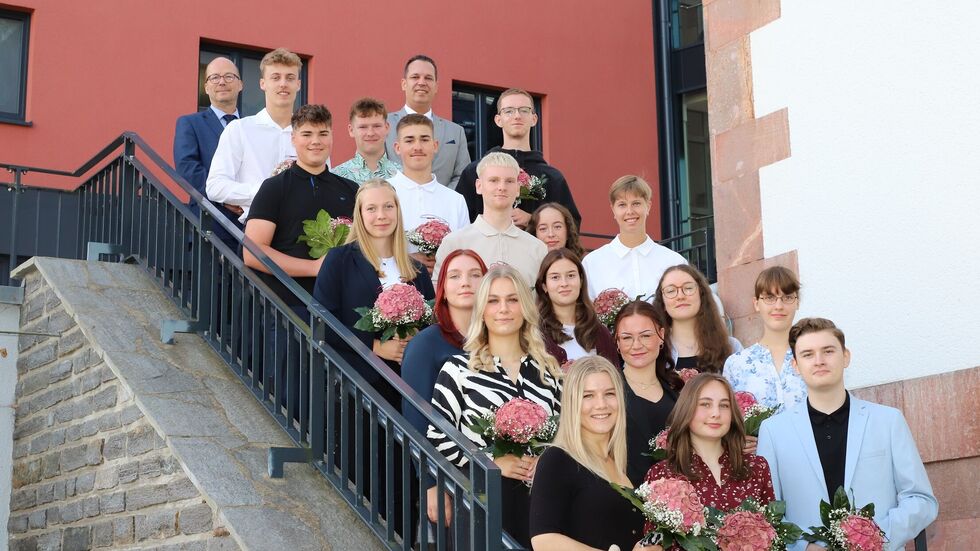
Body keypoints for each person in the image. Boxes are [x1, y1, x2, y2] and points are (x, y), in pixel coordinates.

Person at [757, 318, 938, 551]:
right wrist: (803, 547)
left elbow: (921, 501)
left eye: (828, 351)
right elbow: (767, 511)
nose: (819, 360)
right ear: (796, 366)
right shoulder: (773, 431)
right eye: (808, 354)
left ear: (846, 357)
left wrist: (875, 538)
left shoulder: (888, 421)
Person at [427, 264, 562, 547]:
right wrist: (490, 461)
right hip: (481, 500)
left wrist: (546, 462)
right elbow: (437, 437)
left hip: (542, 503)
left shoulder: (549, 372)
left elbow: (567, 434)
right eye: (493, 300)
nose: (504, 309)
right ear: (482, 311)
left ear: (525, 308)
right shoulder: (458, 369)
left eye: (513, 299)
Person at [312, 179, 434, 405]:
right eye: (371, 208)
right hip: (360, 385)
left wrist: (413, 339)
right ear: (360, 214)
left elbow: (432, 323)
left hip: (410, 383)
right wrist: (375, 346)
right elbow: (323, 321)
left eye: (388, 206)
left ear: (398, 210)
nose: (381, 215)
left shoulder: (417, 269)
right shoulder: (339, 260)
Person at [244, 104, 358, 315]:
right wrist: (314, 268)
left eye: (323, 134)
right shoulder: (274, 187)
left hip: (341, 307)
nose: (316, 141)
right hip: (286, 306)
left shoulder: (351, 190)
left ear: (332, 137)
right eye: (307, 134)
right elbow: (253, 251)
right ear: (293, 139)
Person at [529, 357, 646, 551]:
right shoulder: (557, 460)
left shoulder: (621, 464)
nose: (601, 404)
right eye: (588, 396)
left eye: (609, 393)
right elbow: (544, 541)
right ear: (572, 403)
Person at [644, 373, 775, 511]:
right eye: (705, 404)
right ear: (686, 409)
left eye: (724, 405)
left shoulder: (756, 467)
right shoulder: (663, 475)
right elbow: (654, 532)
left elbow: (771, 528)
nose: (716, 413)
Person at [455, 88, 580, 228]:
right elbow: (458, 220)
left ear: (534, 119)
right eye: (509, 111)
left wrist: (534, 220)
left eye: (524, 110)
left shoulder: (552, 177)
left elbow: (571, 225)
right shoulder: (475, 172)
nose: (517, 116)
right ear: (498, 120)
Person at [207, 47, 301, 222]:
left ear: (298, 84)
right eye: (275, 77)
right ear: (262, 84)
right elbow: (215, 186)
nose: (283, 84)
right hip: (256, 231)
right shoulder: (239, 130)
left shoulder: (309, 135)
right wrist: (264, 192)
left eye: (290, 78)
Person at [401, 249, 487, 441]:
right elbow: (417, 423)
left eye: (475, 275)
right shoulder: (424, 345)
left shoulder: (500, 340)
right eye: (455, 276)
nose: (466, 282)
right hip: (449, 465)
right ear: (443, 290)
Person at [433, 152, 547, 287]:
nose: (502, 187)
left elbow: (542, 302)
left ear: (518, 188)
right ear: (479, 186)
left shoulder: (537, 248)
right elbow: (439, 294)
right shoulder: (454, 243)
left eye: (509, 181)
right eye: (494, 180)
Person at [582, 175, 687, 300]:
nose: (629, 211)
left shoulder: (673, 261)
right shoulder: (592, 263)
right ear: (613, 210)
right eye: (622, 205)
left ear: (648, 206)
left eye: (636, 203)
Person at [387, 114, 470, 272]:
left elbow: (464, 253)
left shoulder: (455, 200)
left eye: (424, 139)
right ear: (397, 147)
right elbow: (369, 248)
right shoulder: (383, 194)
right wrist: (405, 260)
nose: (417, 147)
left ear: (435, 145)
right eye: (409, 140)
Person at [614, 300, 683, 485]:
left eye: (645, 336)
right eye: (627, 337)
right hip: (625, 499)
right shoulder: (608, 392)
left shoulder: (677, 389)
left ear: (661, 335)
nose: (636, 345)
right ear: (617, 342)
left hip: (680, 499)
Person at [173, 56, 242, 230]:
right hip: (209, 219)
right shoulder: (190, 123)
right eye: (214, 77)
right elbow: (187, 167)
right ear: (206, 87)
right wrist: (226, 197)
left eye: (229, 76)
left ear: (240, 85)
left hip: (251, 223)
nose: (222, 82)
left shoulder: (252, 126)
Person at [724, 266, 807, 410]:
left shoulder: (812, 356)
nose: (778, 306)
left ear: (797, 302)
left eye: (787, 297)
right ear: (756, 304)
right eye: (770, 298)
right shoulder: (737, 364)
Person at [384, 54, 470, 190]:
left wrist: (440, 197)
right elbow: (373, 169)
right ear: (404, 84)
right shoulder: (383, 125)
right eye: (415, 77)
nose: (422, 82)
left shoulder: (456, 132)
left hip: (442, 208)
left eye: (428, 78)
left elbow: (462, 175)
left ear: (436, 86)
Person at [534, 249, 618, 366]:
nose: (564, 283)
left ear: (581, 281)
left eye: (571, 275)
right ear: (544, 286)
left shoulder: (599, 332)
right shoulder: (534, 334)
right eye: (555, 277)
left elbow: (614, 377)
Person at [653, 264, 742, 373]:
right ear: (662, 302)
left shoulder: (732, 347)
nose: (680, 296)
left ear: (701, 295)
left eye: (688, 288)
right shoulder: (655, 352)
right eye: (671, 291)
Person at [331, 97, 400, 185]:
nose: (370, 133)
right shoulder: (337, 177)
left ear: (387, 128)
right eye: (363, 127)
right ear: (351, 130)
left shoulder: (403, 174)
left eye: (377, 126)